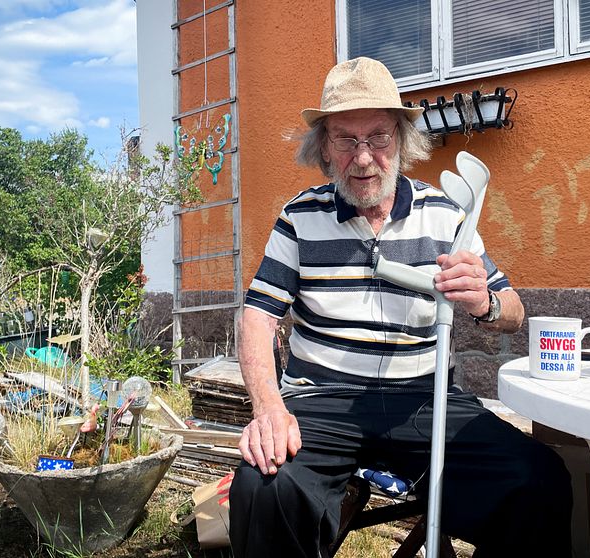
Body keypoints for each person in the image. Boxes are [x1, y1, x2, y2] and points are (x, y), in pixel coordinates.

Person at [229, 57, 572, 558]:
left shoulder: (445, 214)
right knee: (262, 487)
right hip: (321, 400)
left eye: (378, 138)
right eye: (345, 139)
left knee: (538, 481)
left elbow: (514, 311)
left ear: (402, 141)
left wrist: (486, 302)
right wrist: (267, 409)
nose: (363, 157)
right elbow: (257, 315)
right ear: (324, 146)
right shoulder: (300, 218)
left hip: (424, 399)